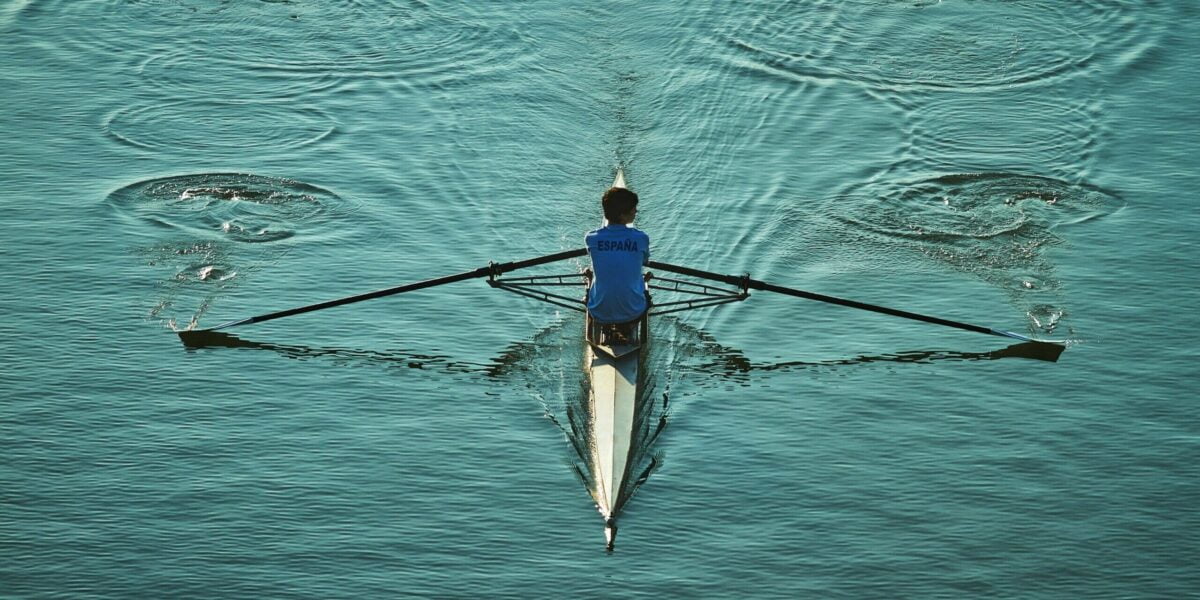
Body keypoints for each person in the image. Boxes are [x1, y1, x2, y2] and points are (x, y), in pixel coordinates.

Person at [585, 185, 650, 343]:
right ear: (622, 215)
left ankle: (592, 328)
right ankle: (643, 285)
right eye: (633, 208)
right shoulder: (641, 238)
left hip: (599, 311)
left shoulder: (591, 238)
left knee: (594, 275)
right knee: (642, 280)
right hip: (633, 311)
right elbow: (644, 261)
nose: (636, 211)